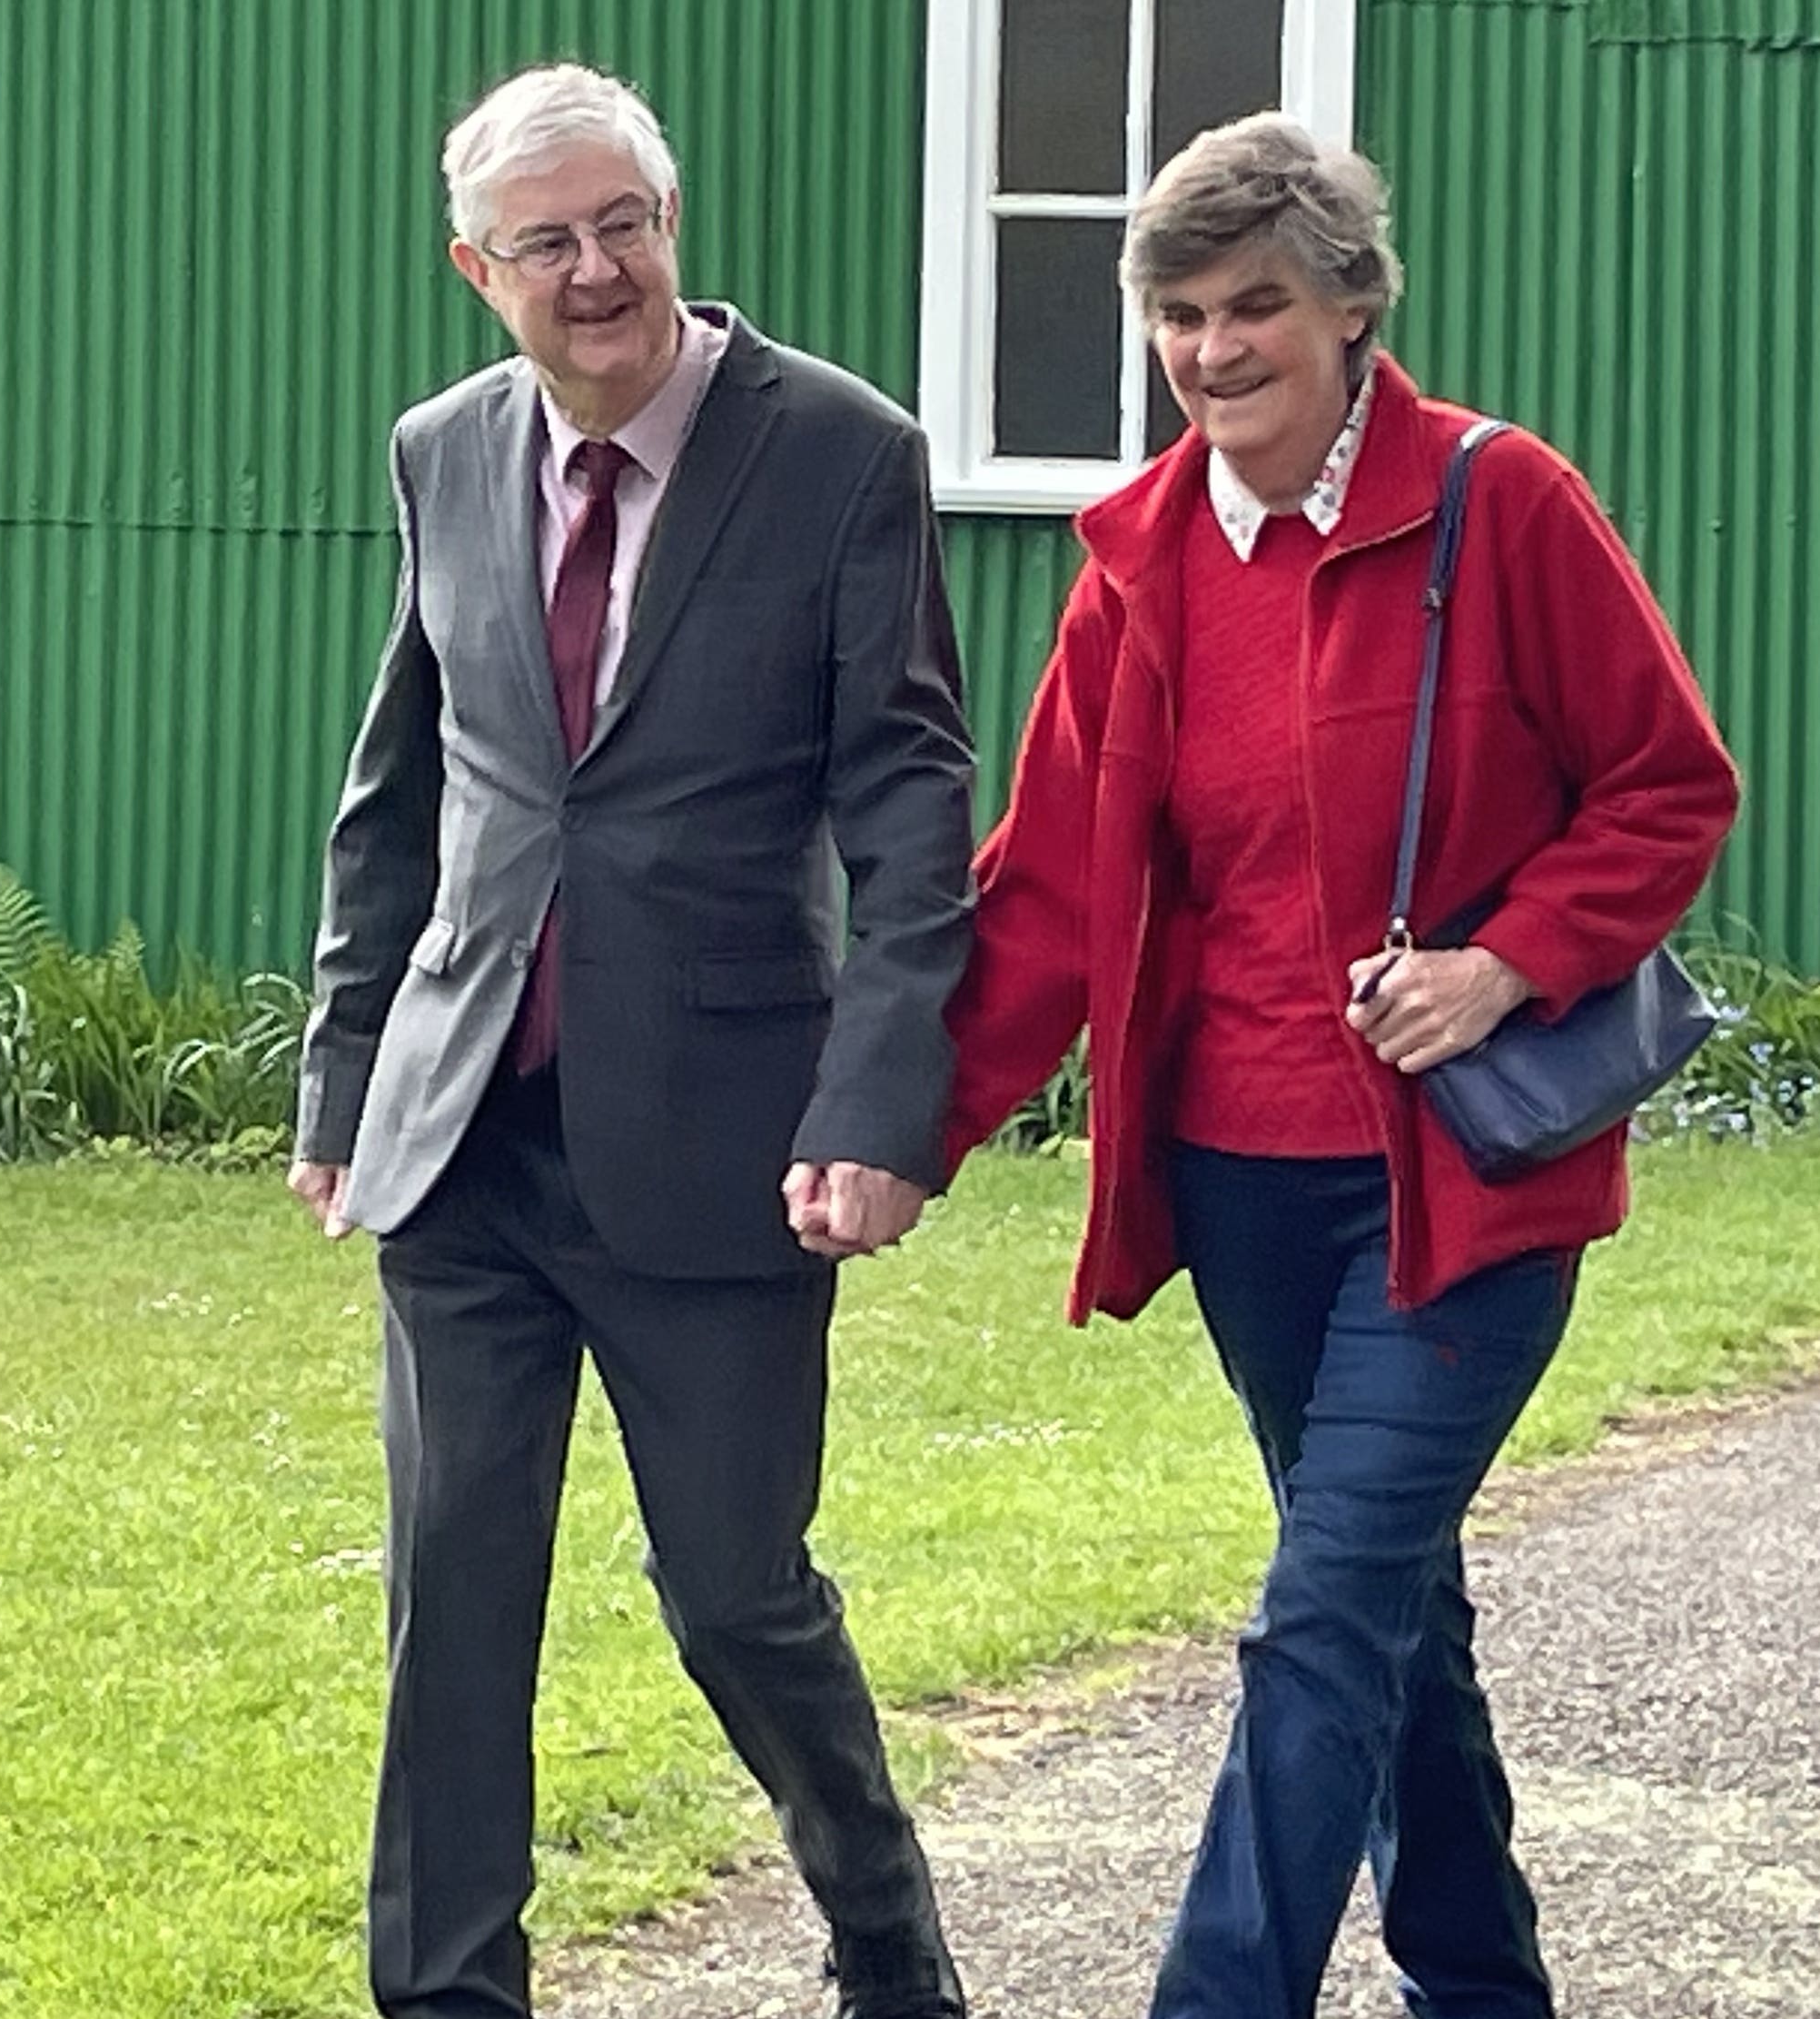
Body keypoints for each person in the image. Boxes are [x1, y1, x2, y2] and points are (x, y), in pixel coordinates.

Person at [939, 114, 1740, 2019]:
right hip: (1245, 1182)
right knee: (1386, 1609)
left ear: (1356, 305)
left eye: (1256, 308)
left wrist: (1502, 961)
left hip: (1464, 1178)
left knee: (1319, 1617)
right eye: (1179, 316)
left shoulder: (1499, 501)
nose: (1213, 351)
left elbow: (1668, 782)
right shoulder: (1134, 562)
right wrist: (890, 1128)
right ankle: (1482, 1982)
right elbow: (1048, 884)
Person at [285, 63, 975, 2019]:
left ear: (672, 223)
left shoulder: (839, 450)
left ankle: (887, 1943)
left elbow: (911, 798)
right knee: (455, 1610)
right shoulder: (441, 449)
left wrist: (881, 1100)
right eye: (548, 243)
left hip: (726, 1139)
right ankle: (445, 1995)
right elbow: (397, 789)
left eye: (624, 224)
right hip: (466, 1138)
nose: (597, 271)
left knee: (741, 1598)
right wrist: (344, 1074)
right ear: (475, 270)